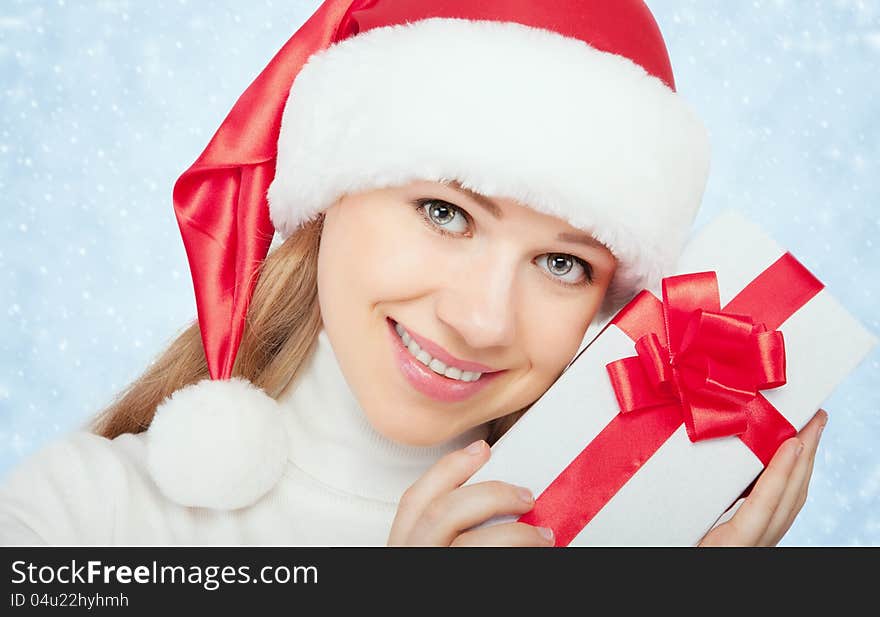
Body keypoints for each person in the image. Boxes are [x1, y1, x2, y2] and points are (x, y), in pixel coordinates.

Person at [0, 0, 826, 546]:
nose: (482, 319)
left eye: (563, 262)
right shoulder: (80, 517)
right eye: (445, 212)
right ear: (329, 191)